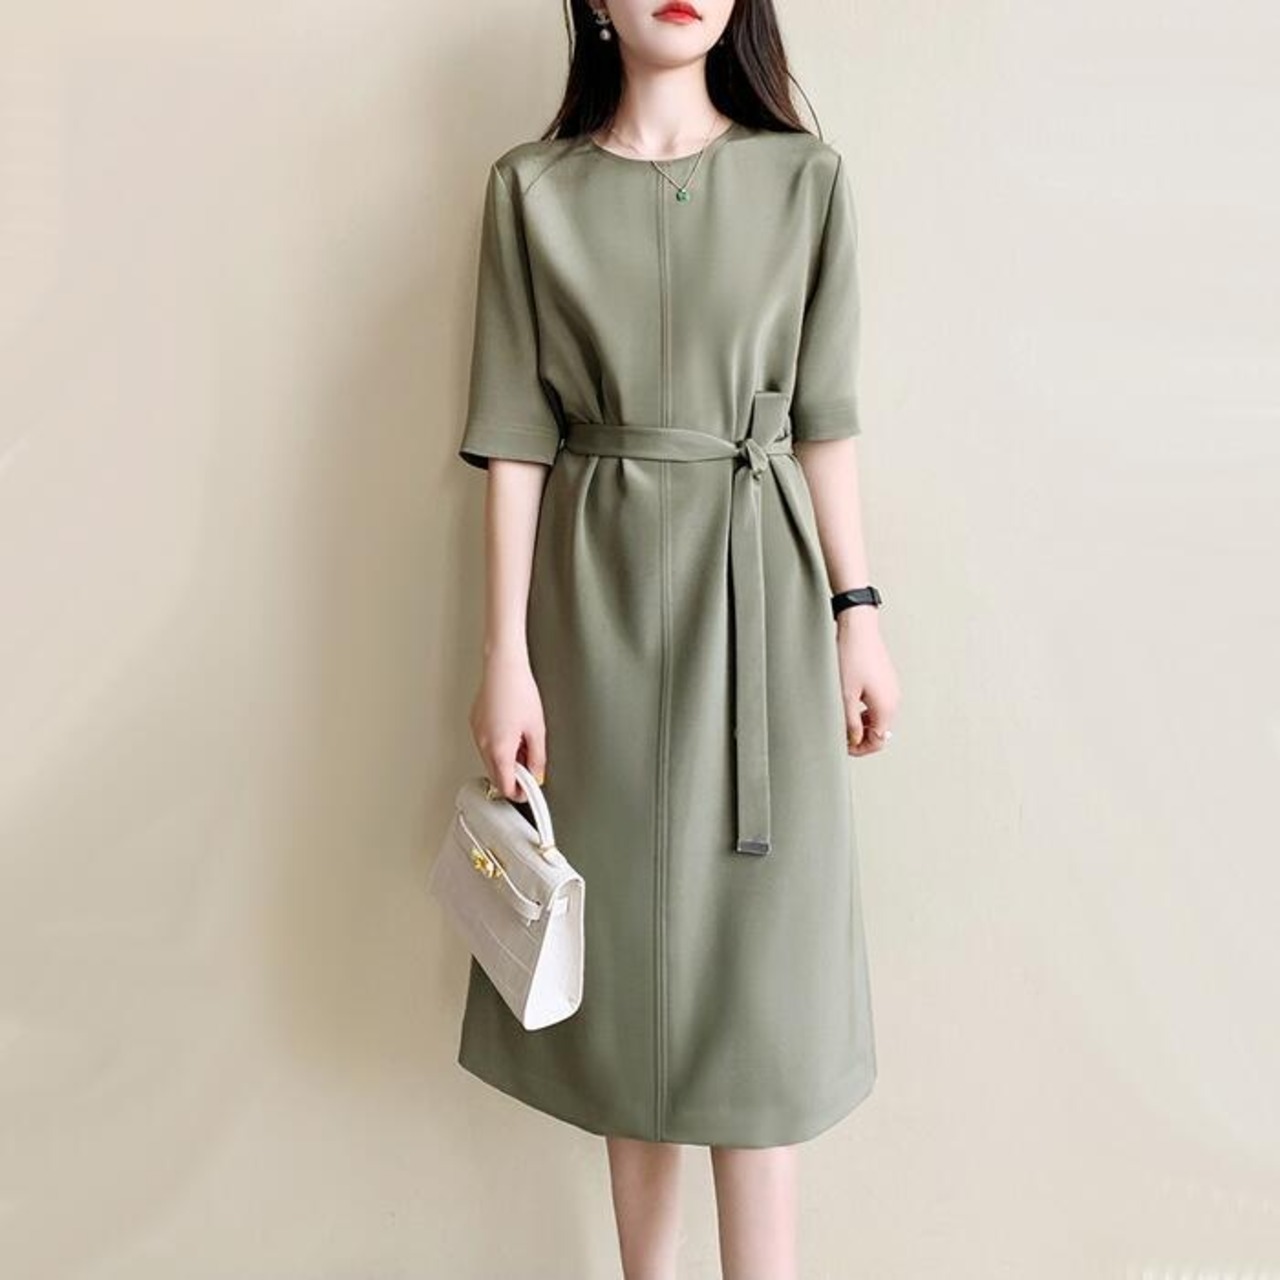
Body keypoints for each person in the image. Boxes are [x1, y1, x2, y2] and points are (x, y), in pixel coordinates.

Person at [453, 1, 901, 1275]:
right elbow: (513, 439)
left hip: (762, 599)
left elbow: (823, 419)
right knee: (628, 980)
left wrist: (857, 615)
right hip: (593, 613)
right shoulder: (528, 190)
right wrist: (503, 655)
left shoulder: (804, 179)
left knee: (760, 982)